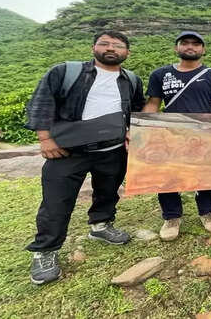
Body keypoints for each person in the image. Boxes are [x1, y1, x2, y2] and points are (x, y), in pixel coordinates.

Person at [24, 31, 145, 285]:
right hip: (69, 150)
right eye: (104, 43)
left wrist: (131, 132)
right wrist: (45, 139)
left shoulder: (131, 80)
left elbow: (135, 109)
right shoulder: (65, 72)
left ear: (127, 52)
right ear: (93, 47)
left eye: (118, 45)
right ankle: (45, 251)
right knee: (57, 201)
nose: (111, 48)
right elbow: (42, 102)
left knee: (108, 191)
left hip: (112, 150)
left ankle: (101, 226)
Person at [143, 31, 211, 241]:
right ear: (176, 48)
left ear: (203, 50)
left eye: (196, 44)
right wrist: (142, 130)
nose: (190, 47)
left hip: (204, 134)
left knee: (205, 175)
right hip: (170, 134)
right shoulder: (160, 74)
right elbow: (152, 104)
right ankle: (171, 217)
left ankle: (208, 212)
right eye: (185, 43)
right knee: (168, 176)